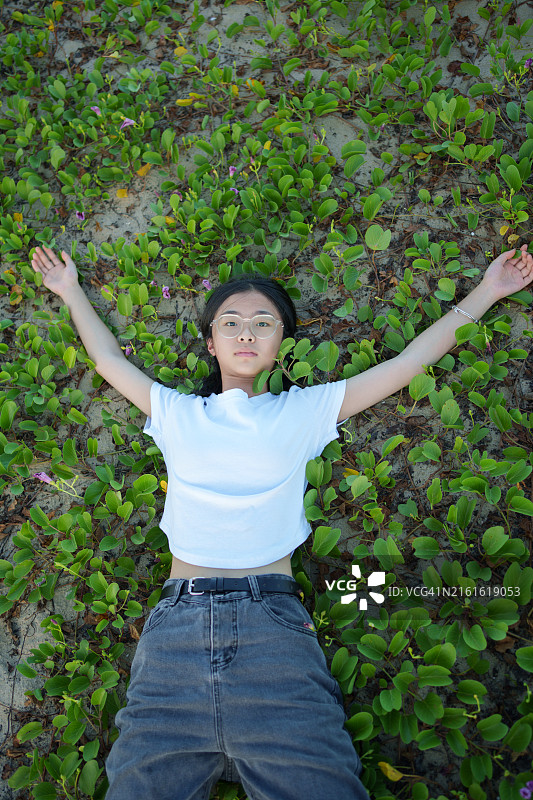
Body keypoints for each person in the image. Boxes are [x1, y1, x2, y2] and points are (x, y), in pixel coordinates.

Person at [31, 243, 532, 800]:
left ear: (280, 344)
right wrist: (69, 289)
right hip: (175, 636)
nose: (246, 332)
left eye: (263, 322)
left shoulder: (304, 410)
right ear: (211, 342)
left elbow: (406, 365)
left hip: (273, 630)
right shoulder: (175, 412)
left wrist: (489, 290)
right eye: (231, 322)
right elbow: (108, 361)